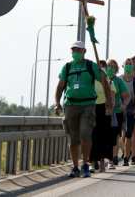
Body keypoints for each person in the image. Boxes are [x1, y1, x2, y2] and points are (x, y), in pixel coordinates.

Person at [54, 41, 113, 178]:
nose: (75, 52)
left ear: (84, 51)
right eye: (73, 50)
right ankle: (75, 166)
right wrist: (57, 102)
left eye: (78, 50)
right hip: (70, 105)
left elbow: (104, 83)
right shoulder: (67, 68)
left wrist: (109, 102)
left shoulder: (91, 66)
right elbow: (60, 86)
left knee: (85, 134)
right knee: (73, 139)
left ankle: (85, 164)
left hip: (88, 105)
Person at [90, 60, 115, 172]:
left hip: (104, 110)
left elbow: (112, 96)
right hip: (92, 108)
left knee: (102, 138)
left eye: (103, 67)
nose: (101, 69)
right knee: (92, 136)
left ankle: (101, 163)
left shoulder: (108, 81)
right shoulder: (91, 79)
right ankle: (92, 162)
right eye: (99, 66)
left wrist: (109, 108)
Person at [106, 59, 130, 167]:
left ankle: (113, 158)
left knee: (115, 135)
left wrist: (124, 105)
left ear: (116, 69)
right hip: (104, 112)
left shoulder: (118, 81)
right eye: (108, 66)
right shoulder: (102, 79)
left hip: (116, 112)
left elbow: (126, 96)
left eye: (112, 67)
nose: (110, 68)